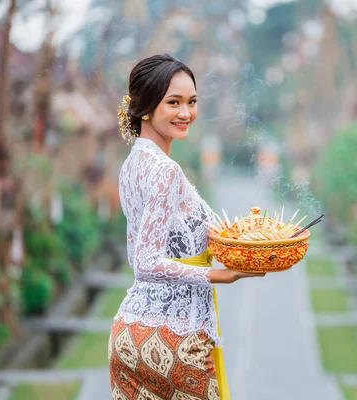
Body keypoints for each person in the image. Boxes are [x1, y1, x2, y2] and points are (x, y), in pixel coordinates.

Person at [109, 54, 263, 400]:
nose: (185, 113)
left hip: (129, 338)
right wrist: (219, 275)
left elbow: (147, 252)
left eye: (191, 102)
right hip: (175, 342)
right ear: (145, 107)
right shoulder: (165, 172)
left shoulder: (133, 164)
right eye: (173, 102)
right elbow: (147, 261)